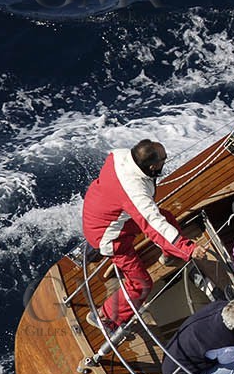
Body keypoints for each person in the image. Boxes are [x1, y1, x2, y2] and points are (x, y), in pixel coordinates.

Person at [81, 140, 202, 333]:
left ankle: (170, 255)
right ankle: (105, 317)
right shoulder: (134, 191)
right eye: (163, 160)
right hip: (108, 237)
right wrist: (188, 248)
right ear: (153, 166)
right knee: (142, 284)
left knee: (167, 218)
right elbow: (153, 224)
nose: (164, 163)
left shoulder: (120, 155)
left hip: (98, 213)